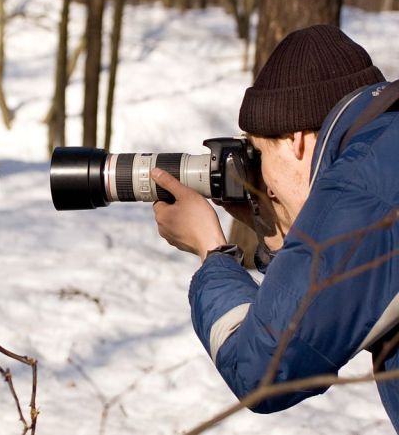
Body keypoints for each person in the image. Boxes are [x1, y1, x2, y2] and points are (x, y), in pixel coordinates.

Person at [151, 24, 399, 429]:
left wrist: (212, 252)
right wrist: (275, 232)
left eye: (260, 153)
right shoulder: (383, 153)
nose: (261, 180)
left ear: (296, 140)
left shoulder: (363, 188)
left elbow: (266, 369)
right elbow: (338, 308)